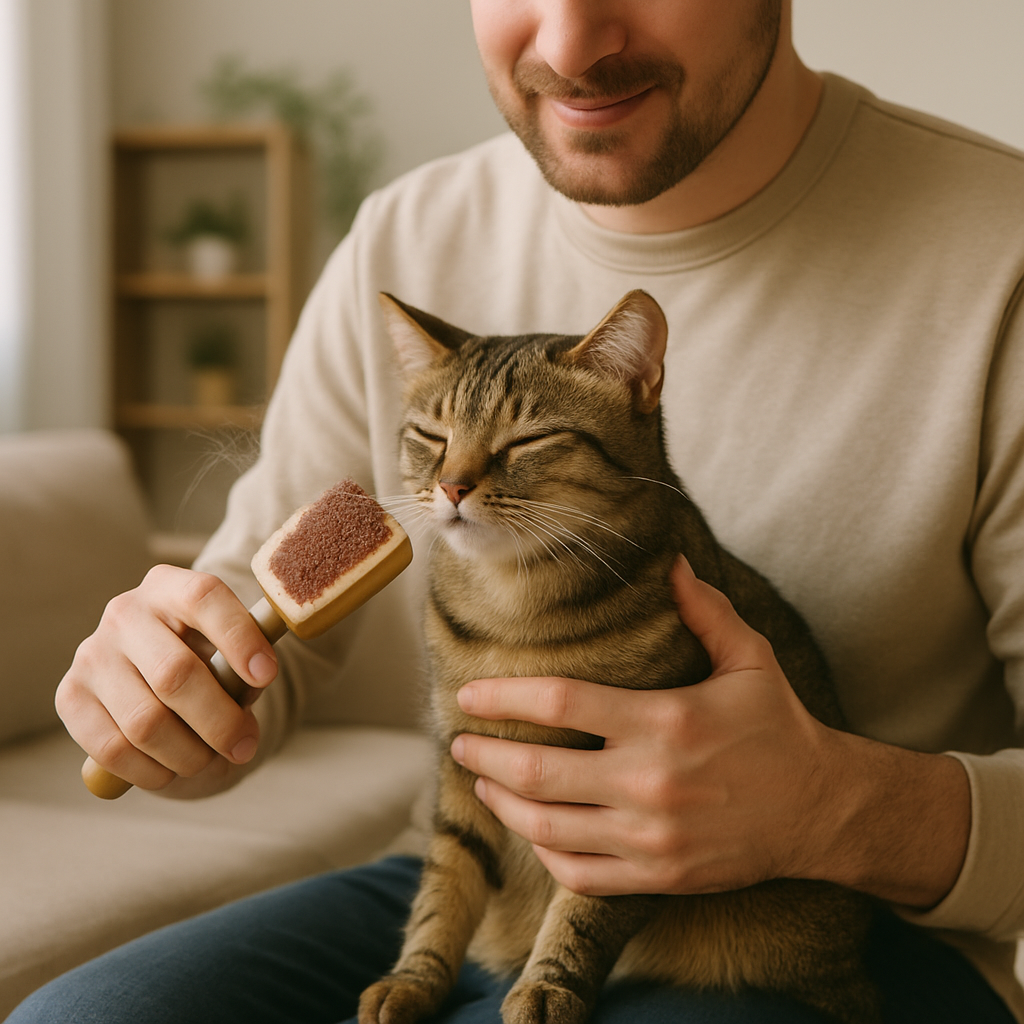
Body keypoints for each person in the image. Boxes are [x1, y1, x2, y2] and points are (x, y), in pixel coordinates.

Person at [12, 1, 1024, 1021]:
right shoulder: (402, 237)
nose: (569, 45)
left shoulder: (1001, 253)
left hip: (812, 932)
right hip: (478, 878)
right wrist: (168, 688)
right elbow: (260, 616)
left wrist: (833, 810)